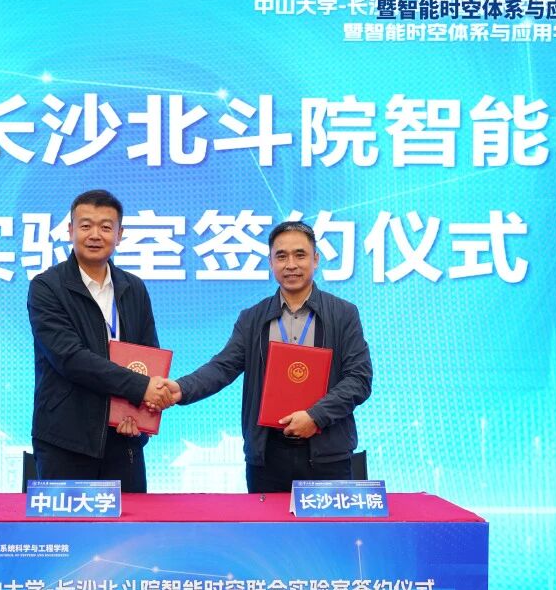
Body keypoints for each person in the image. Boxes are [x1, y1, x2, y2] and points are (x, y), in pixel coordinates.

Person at [160, 220, 372, 493]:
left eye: (300, 255)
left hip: (327, 453)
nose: (291, 265)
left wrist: (316, 416)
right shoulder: (252, 318)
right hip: (267, 455)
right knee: (266, 523)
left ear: (316, 259)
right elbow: (222, 367)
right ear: (270, 262)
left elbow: (358, 379)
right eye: (281, 256)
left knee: (326, 523)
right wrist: (182, 388)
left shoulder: (343, 314)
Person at [27, 189, 174, 492]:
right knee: (69, 523)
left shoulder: (133, 288)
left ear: (120, 235)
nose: (95, 235)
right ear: (70, 230)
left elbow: (150, 355)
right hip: (66, 440)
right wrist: (140, 387)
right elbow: (70, 358)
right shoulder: (47, 287)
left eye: (106, 227)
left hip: (123, 438)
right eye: (86, 225)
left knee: (131, 523)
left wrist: (140, 417)